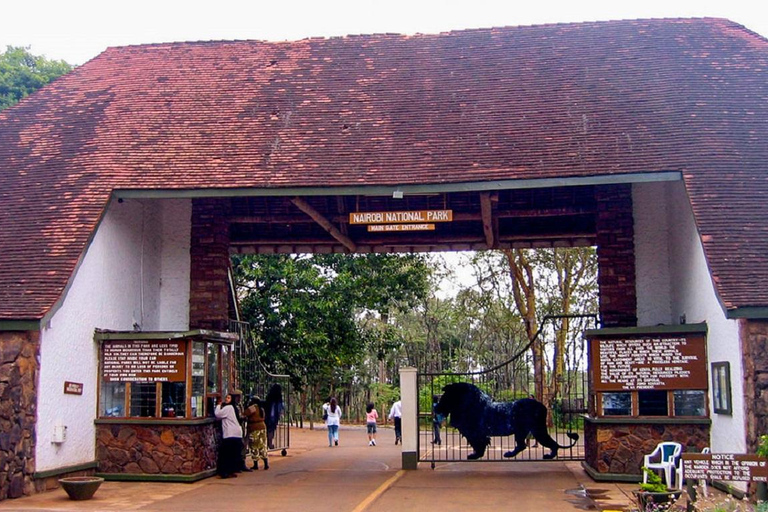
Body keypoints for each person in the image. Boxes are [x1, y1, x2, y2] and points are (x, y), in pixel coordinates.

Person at [214, 392, 244, 478]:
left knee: (225, 454)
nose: (226, 399)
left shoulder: (228, 408)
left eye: (228, 398)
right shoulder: (234, 408)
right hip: (237, 433)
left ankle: (224, 472)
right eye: (226, 398)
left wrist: (218, 405)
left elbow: (218, 414)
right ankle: (231, 470)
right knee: (232, 454)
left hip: (230, 434)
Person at [244, 396, 269, 470]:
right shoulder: (261, 408)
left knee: (254, 445)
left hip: (254, 427)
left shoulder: (253, 407)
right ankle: (266, 463)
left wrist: (246, 405)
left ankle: (255, 464)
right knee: (263, 445)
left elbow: (245, 413)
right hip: (262, 427)